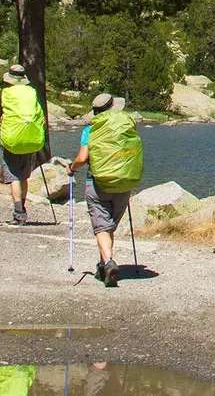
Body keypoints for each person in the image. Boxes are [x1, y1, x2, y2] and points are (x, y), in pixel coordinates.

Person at [69, 93, 142, 287]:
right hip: (124, 183)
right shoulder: (126, 125)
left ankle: (108, 262)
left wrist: (72, 167)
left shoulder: (90, 130)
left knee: (102, 226)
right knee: (109, 226)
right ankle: (103, 264)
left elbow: (82, 158)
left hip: (98, 182)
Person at [0, 64, 45, 225]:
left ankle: (19, 212)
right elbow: (42, 118)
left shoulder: (5, 94)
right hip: (31, 139)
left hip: (11, 140)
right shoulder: (32, 93)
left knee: (14, 177)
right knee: (24, 176)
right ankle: (23, 208)